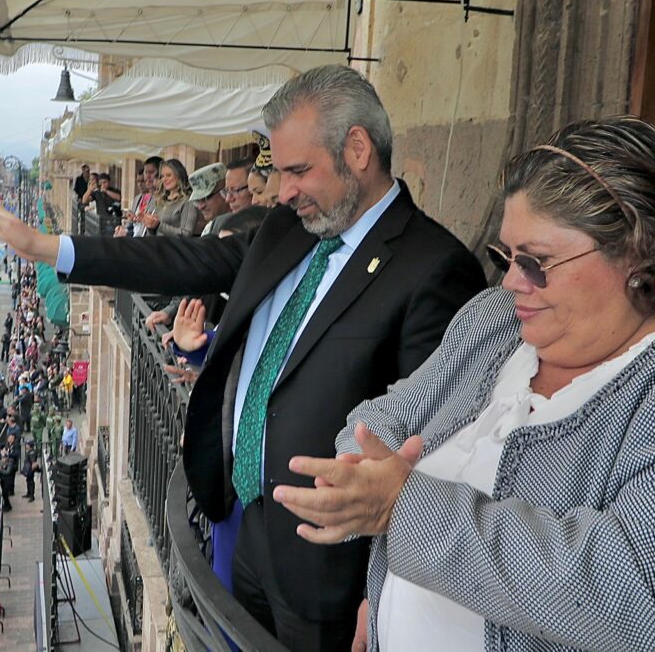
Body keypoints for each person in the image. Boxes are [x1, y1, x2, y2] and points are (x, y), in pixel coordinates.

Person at [0, 64, 487, 648]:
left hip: (328, 576)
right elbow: (179, 260)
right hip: (243, 526)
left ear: (358, 150)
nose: (284, 190)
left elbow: (431, 451)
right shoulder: (289, 230)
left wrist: (383, 589)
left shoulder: (434, 269)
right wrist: (46, 247)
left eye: (298, 170)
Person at [260, 116, 655, 652]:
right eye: (507, 258)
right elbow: (396, 410)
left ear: (637, 257)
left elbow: (627, 595)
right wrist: (363, 470)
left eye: (537, 262)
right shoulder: (495, 321)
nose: (513, 282)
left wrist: (401, 508)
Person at [142, 159, 200, 236]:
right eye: (162, 176)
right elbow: (154, 233)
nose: (164, 179)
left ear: (179, 176)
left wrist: (158, 225)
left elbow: (186, 234)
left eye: (168, 175)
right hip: (156, 245)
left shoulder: (188, 201)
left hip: (174, 247)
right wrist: (150, 225)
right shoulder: (161, 201)